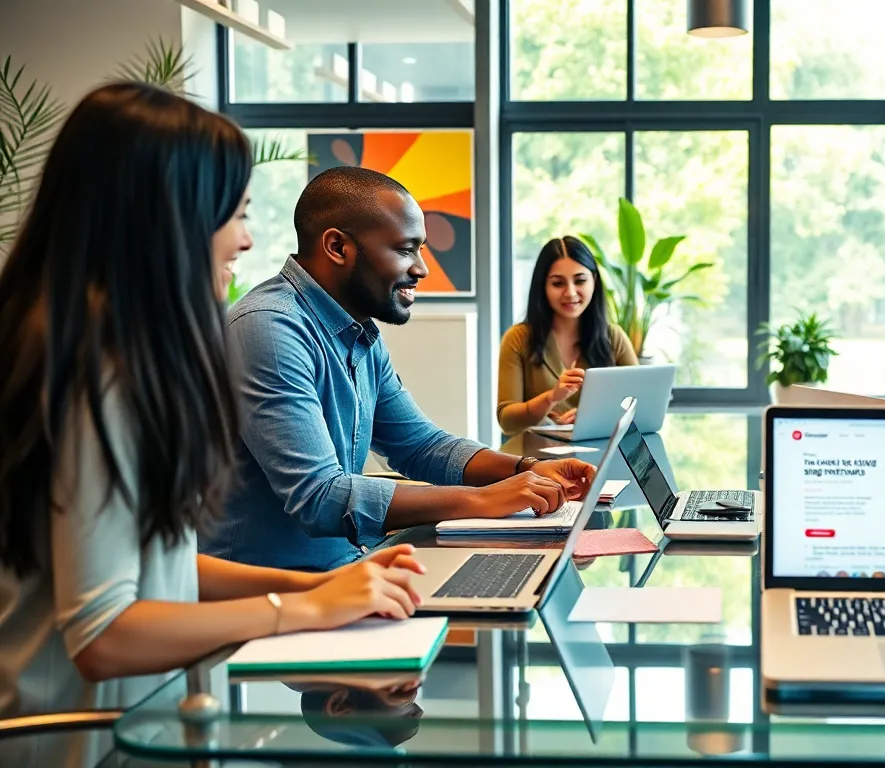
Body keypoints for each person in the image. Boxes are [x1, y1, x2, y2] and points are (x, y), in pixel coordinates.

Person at [0, 84, 425, 767]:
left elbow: (158, 567)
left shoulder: (115, 352)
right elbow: (104, 633)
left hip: (147, 727)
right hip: (78, 747)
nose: (247, 237)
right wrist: (303, 610)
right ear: (165, 216)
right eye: (236, 212)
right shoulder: (92, 370)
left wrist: (315, 587)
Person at [203, 167, 596, 572]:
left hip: (345, 575)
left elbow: (421, 446)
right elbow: (318, 497)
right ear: (338, 247)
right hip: (269, 597)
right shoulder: (268, 327)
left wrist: (525, 470)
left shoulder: (358, 331)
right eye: (406, 249)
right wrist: (486, 499)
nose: (422, 268)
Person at [497, 236, 638, 434]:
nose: (570, 293)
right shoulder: (518, 338)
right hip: (537, 459)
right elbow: (507, 421)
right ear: (543, 287)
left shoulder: (614, 337)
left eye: (580, 281)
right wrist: (551, 397)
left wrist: (593, 417)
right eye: (557, 283)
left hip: (602, 454)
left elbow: (640, 406)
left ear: (594, 281)